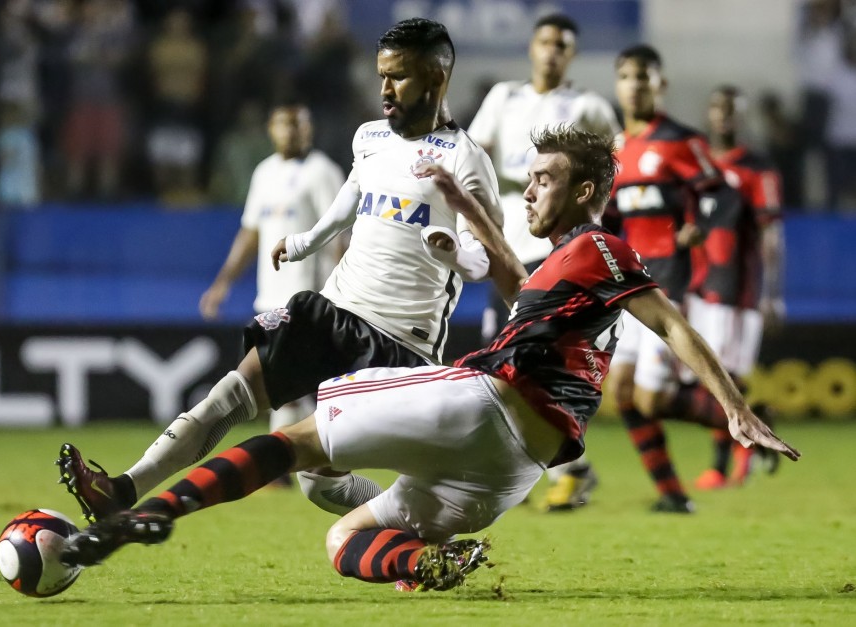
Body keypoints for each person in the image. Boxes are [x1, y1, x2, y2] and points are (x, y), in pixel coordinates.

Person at [59, 127, 800, 594]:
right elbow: (517, 280)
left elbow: (669, 320)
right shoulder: (566, 268)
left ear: (583, 191)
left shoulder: (601, 247)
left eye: (542, 179)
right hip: (509, 473)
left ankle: (139, 516)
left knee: (292, 440)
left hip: (489, 402)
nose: (530, 188)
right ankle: (426, 564)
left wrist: (735, 408)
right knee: (342, 539)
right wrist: (462, 214)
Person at [57, 18, 505, 524]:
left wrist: (454, 253)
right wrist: (307, 240)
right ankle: (122, 488)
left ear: (435, 78)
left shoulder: (469, 161)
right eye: (381, 75)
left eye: (397, 77)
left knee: (319, 484)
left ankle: (417, 532)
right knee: (232, 392)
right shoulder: (370, 138)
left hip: (400, 342)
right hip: (334, 309)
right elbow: (350, 199)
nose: (384, 89)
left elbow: (487, 256)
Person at [466, 12, 620, 511]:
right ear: (532, 48)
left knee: (531, 361)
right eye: (546, 42)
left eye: (563, 44)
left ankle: (561, 468)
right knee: (504, 357)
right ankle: (547, 467)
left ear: (571, 54)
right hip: (507, 248)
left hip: (559, 252)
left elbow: (619, 165)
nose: (552, 51)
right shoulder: (504, 98)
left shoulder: (589, 106)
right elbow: (471, 157)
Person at [605, 44, 742, 513]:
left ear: (659, 84)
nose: (635, 84)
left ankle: (742, 423)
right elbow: (609, 215)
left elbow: (723, 196)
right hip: (629, 284)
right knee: (623, 394)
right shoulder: (617, 149)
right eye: (627, 75)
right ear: (618, 84)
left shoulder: (681, 141)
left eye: (644, 76)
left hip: (671, 284)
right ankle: (672, 495)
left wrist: (699, 226)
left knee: (650, 398)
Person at [198, 102, 344, 478]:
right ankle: (296, 463)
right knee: (281, 381)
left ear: (309, 130)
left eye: (299, 125)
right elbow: (252, 232)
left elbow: (338, 235)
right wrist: (223, 283)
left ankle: (294, 463)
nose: (291, 132)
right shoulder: (264, 172)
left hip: (310, 296)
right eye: (284, 124)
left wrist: (343, 287)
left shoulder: (322, 172)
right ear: (271, 129)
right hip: (270, 294)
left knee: (290, 379)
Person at [689, 86, 785, 489]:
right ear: (709, 114)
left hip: (736, 291)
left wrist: (772, 293)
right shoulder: (697, 165)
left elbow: (771, 234)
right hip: (699, 287)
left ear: (741, 117)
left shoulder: (757, 169)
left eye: (732, 109)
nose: (724, 115)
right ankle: (757, 424)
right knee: (705, 380)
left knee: (724, 376)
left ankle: (726, 464)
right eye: (718, 107)